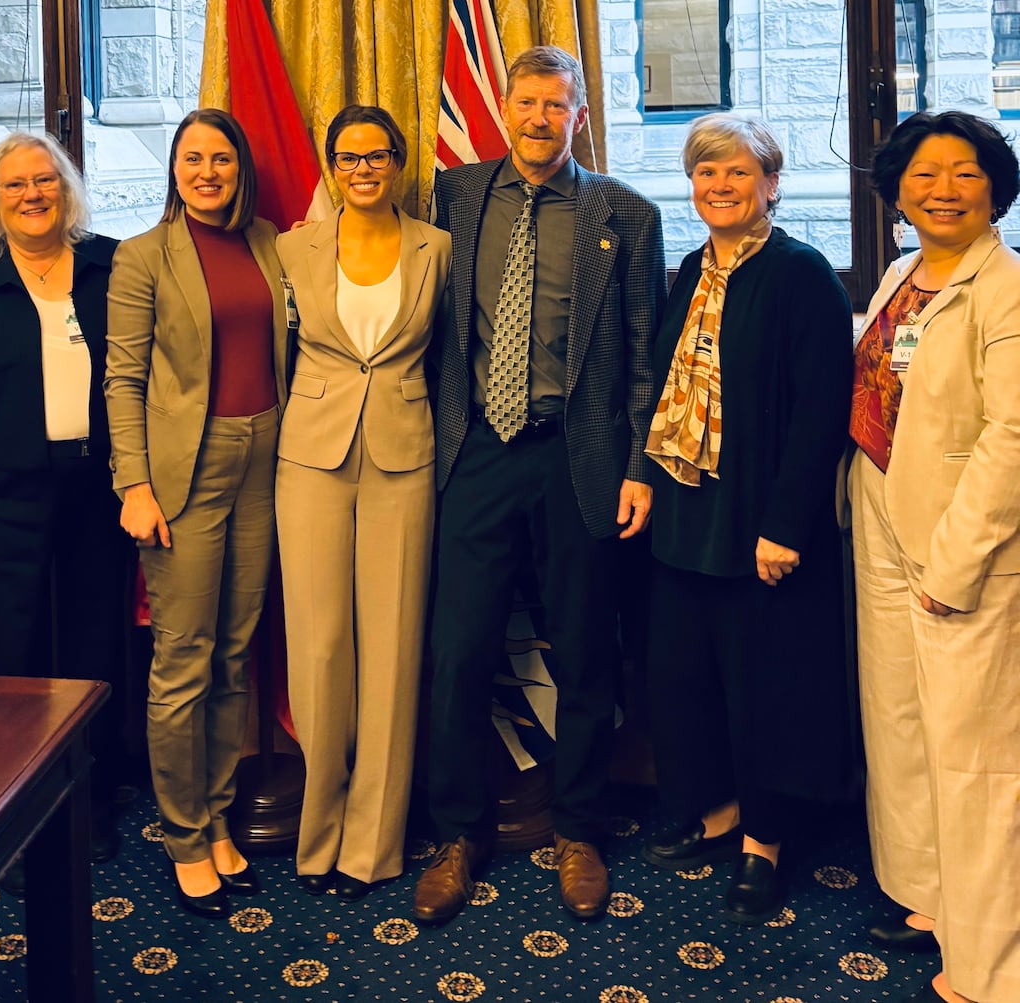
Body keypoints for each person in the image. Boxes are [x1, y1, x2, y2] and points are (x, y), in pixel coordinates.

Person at [414, 45, 666, 924]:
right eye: (525, 103)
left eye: (556, 106)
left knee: (586, 651)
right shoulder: (455, 197)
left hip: (579, 456)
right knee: (458, 651)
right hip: (475, 452)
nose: (537, 119)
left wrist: (638, 468)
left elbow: (644, 356)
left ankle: (583, 828)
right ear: (505, 109)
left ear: (580, 116)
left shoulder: (625, 214)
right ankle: (456, 832)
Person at [638, 114, 853, 924]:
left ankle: (764, 841)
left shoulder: (801, 275)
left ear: (771, 182)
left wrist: (787, 524)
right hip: (690, 513)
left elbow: (818, 412)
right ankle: (717, 809)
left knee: (767, 685)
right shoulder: (691, 268)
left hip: (763, 519)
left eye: (736, 172)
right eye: (705, 174)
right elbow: (666, 387)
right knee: (689, 677)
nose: (719, 187)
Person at [850, 110, 1020, 1003]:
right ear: (897, 189)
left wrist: (955, 561)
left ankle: (993, 959)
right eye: (924, 173)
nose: (942, 189)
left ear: (995, 186)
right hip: (883, 515)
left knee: (975, 751)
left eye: (963, 173)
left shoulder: (1007, 289)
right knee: (904, 724)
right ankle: (931, 894)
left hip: (965, 542)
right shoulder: (900, 274)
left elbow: (1013, 436)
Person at [0, 131, 131, 865]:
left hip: (100, 492)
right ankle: (9, 816)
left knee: (95, 647)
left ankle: (93, 799)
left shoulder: (114, 267)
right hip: (5, 499)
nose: (32, 195)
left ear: (65, 187)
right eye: (14, 185)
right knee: (8, 660)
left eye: (44, 180)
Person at [104, 108, 289, 920]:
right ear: (173, 169)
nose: (206, 171)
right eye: (191, 158)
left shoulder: (271, 240)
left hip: (268, 461)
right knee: (183, 661)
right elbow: (123, 378)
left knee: (235, 655)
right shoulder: (143, 256)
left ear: (239, 166)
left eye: (220, 157)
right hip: (185, 471)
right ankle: (184, 836)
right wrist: (133, 484)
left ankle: (218, 819)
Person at [275, 106, 451, 901]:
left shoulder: (438, 248)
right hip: (309, 454)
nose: (364, 168)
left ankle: (372, 845)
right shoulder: (290, 245)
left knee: (391, 650)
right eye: (349, 157)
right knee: (318, 650)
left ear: (400, 163)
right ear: (332, 165)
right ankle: (319, 835)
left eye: (378, 155)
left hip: (403, 455)